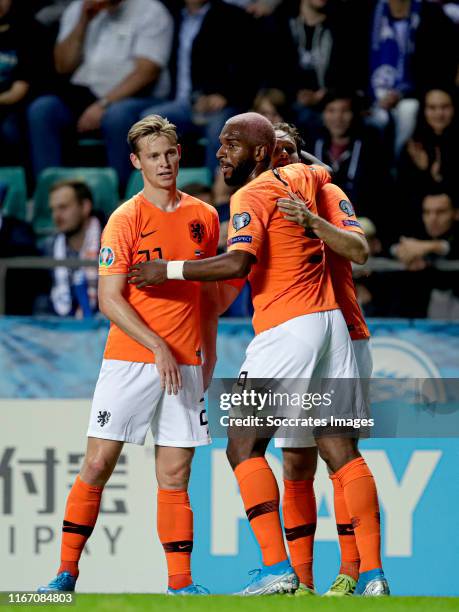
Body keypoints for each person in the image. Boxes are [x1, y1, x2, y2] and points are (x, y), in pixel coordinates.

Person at [128, 112, 389, 596]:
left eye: (232, 144)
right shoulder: (312, 178)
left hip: (300, 328)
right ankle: (365, 577)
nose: (221, 152)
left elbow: (240, 262)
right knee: (326, 452)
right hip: (330, 324)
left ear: (268, 153)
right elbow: (318, 171)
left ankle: (282, 569)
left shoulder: (264, 193)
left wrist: (171, 270)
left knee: (243, 443)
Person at [38, 115, 220, 594]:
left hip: (186, 363)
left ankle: (181, 585)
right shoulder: (126, 218)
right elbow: (109, 298)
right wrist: (156, 344)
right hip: (130, 359)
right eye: (153, 156)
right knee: (98, 464)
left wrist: (208, 355)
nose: (164, 163)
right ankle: (65, 573)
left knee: (176, 473)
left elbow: (208, 299)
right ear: (136, 162)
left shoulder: (206, 217)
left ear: (180, 153)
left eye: (170, 153)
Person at [271, 122, 373, 596]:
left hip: (344, 337)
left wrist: (312, 220)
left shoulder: (327, 194)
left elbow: (360, 249)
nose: (280, 159)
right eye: (271, 151)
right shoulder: (258, 202)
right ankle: (302, 583)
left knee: (339, 455)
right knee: (294, 462)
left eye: (289, 150)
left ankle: (354, 573)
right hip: (292, 340)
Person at [28, 0, 173, 187]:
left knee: (116, 117)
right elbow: (62, 66)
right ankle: (50, 193)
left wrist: (104, 103)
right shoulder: (78, 9)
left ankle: (121, 194)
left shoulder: (150, 10)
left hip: (137, 96)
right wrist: (83, 21)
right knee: (43, 110)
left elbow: (147, 71)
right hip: (84, 93)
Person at [141, 0, 257, 177]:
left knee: (219, 129)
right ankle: (157, 185)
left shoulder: (233, 16)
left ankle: (216, 193)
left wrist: (225, 96)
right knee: (150, 120)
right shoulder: (171, 15)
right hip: (182, 103)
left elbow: (250, 67)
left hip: (225, 104)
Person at [38, 179, 101, 317]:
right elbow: (41, 302)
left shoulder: (112, 242)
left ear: (85, 207)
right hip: (60, 330)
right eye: (53, 210)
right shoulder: (47, 249)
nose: (56, 216)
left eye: (63, 207)